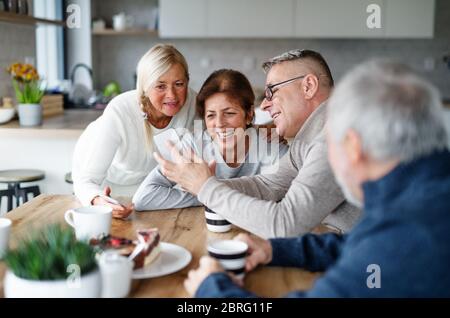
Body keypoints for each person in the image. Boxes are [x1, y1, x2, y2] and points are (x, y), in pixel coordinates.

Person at [184, 60, 450, 297]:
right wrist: (275, 250)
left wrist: (211, 288)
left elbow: (377, 246)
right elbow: (357, 241)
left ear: (353, 146)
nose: (264, 103)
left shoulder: (409, 235)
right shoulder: (418, 197)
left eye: (331, 143)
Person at [154, 49, 360, 238]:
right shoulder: (307, 139)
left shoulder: (335, 138)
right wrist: (200, 184)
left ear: (308, 86)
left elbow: (285, 223)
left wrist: (206, 187)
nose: (265, 104)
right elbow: (267, 185)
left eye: (272, 91)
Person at [132, 69, 288, 210]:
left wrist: (206, 189)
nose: (219, 124)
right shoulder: (193, 146)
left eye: (229, 113)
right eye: (211, 115)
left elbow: (288, 192)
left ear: (248, 115)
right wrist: (206, 195)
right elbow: (144, 197)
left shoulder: (269, 146)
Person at [72, 44, 197, 218]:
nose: (172, 95)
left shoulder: (192, 104)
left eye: (178, 84)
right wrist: (98, 200)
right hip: (106, 178)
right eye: (161, 86)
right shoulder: (120, 111)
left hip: (146, 185)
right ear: (145, 86)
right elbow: (87, 181)